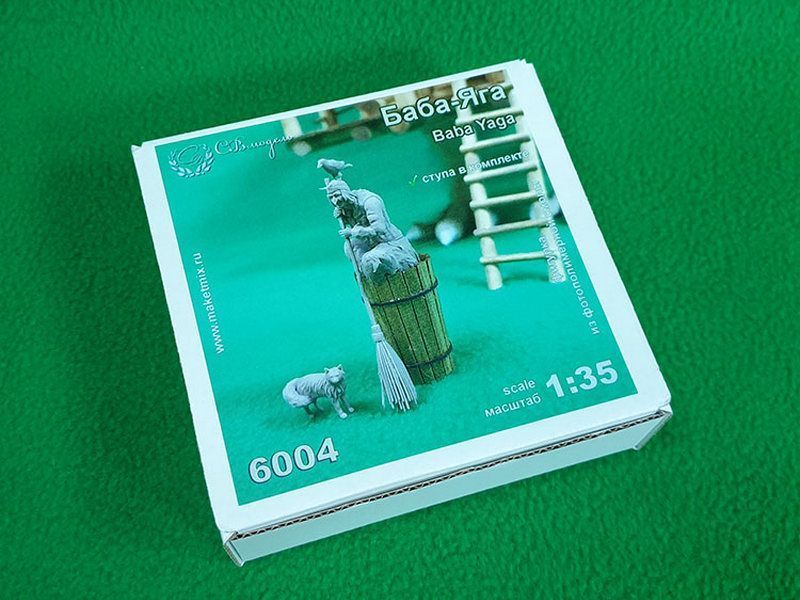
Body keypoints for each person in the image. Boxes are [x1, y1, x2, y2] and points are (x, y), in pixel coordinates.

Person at [324, 177, 418, 280]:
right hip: (370, 243)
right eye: (331, 197)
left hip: (389, 243)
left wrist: (354, 232)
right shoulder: (346, 205)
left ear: (345, 192)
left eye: (337, 195)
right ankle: (366, 277)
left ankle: (388, 279)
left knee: (370, 259)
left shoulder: (370, 201)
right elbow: (356, 222)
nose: (335, 201)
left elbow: (379, 229)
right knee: (350, 246)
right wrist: (344, 216)